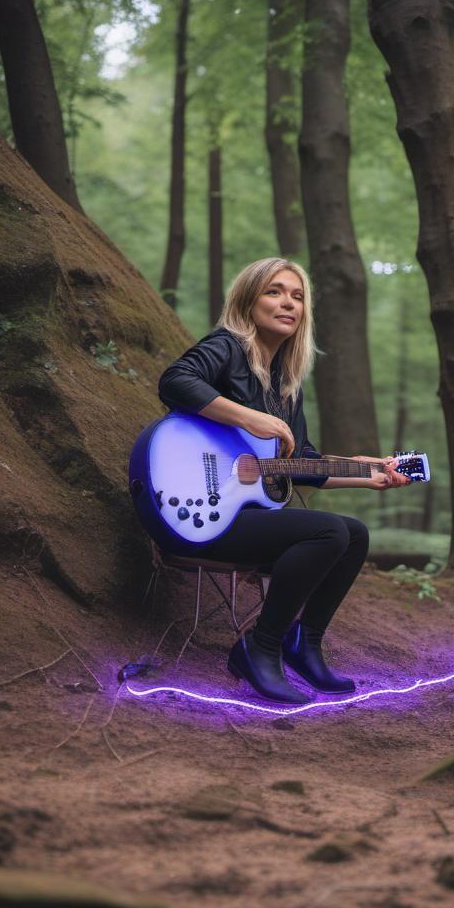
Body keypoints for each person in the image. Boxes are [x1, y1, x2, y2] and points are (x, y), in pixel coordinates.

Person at [157, 257, 409, 704]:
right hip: (196, 511)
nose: (288, 303)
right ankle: (261, 646)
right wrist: (252, 418)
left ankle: (302, 643)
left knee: (353, 534)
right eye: (275, 291)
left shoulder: (286, 384)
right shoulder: (227, 346)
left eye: (297, 296)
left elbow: (300, 464)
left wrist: (364, 472)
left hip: (247, 515)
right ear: (248, 300)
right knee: (328, 529)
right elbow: (176, 380)